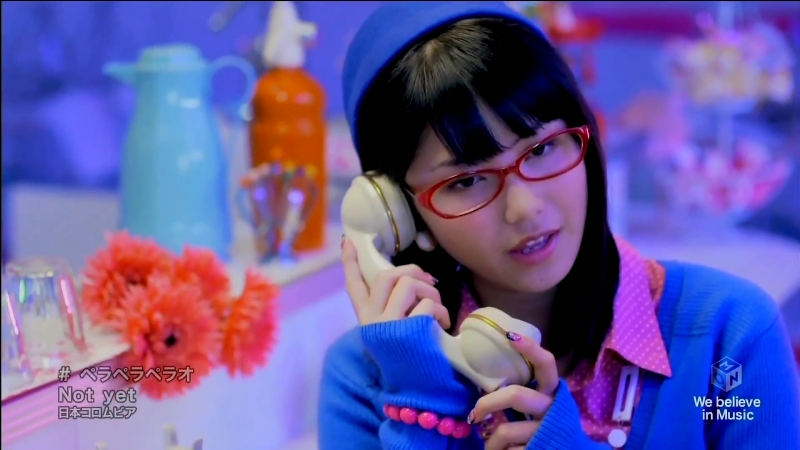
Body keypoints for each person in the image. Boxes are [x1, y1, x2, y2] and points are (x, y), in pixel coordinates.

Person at [318, 2, 800, 449]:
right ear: (400, 213)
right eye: (466, 181)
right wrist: (420, 404)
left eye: (543, 148)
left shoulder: (728, 339)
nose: (524, 208)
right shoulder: (363, 380)